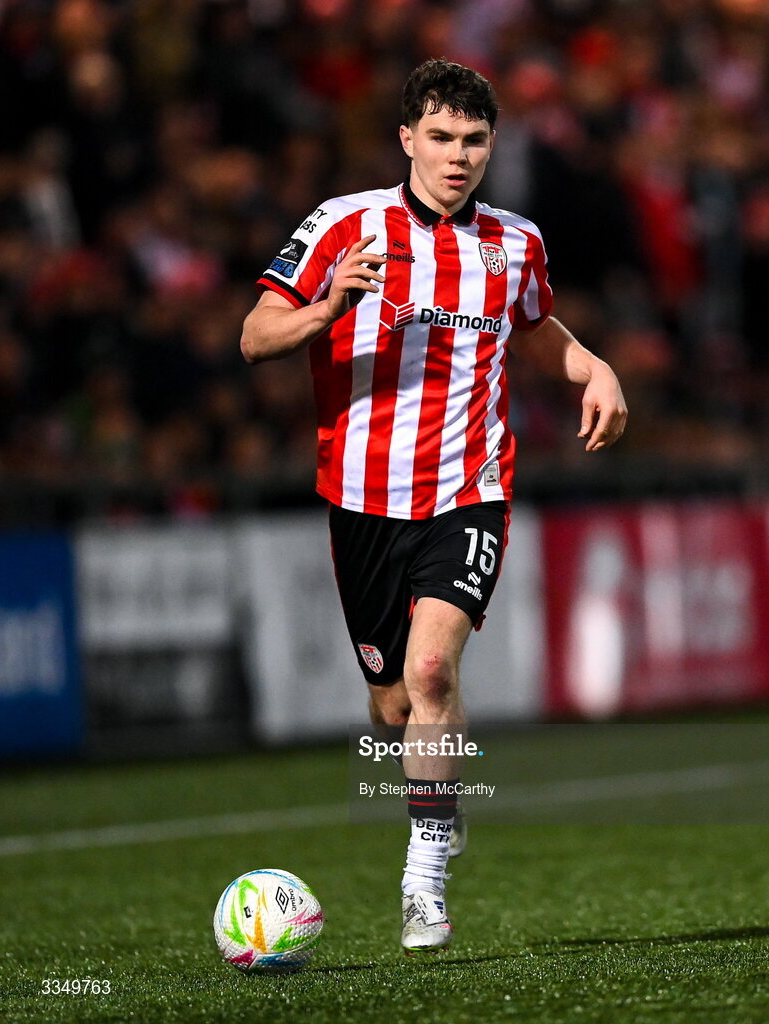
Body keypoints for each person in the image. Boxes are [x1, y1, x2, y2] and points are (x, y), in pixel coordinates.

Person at [240, 58, 627, 954]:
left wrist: (596, 365)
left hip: (469, 490)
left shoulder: (515, 243)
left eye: (476, 141)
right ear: (408, 138)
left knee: (432, 678)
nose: (459, 157)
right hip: (360, 500)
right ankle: (432, 810)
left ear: (493, 146)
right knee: (390, 710)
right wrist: (329, 305)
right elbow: (255, 335)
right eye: (442, 138)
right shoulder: (344, 224)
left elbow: (538, 330)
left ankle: (425, 876)